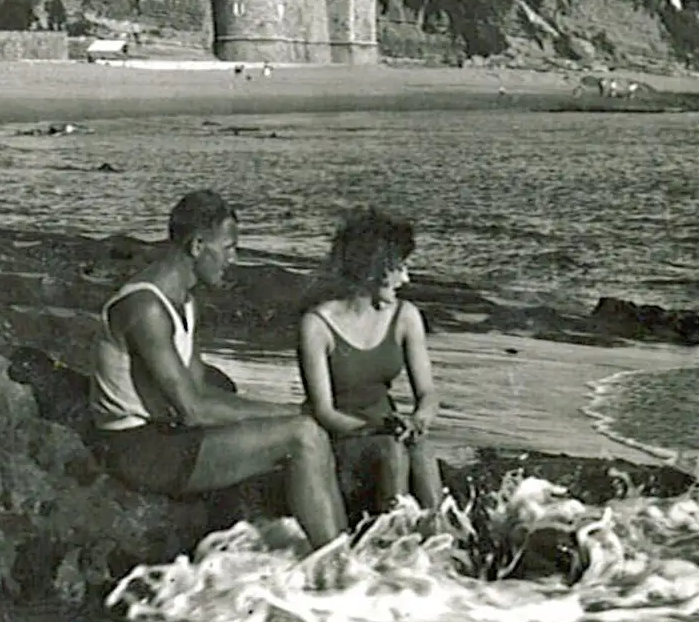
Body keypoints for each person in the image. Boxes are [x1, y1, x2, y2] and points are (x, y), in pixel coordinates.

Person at [92, 190, 347, 549]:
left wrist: (295, 413)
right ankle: (338, 567)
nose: (233, 258)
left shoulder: (184, 299)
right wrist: (297, 414)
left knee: (311, 431)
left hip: (167, 437)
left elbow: (199, 389)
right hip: (139, 450)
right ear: (198, 246)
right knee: (303, 435)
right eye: (228, 247)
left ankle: (343, 554)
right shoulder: (145, 307)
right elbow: (193, 410)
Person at [297, 207, 443, 520]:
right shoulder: (317, 325)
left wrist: (418, 421)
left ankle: (440, 541)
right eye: (399, 267)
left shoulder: (406, 317)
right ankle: (389, 544)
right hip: (341, 436)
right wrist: (375, 429)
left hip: (387, 430)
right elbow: (324, 412)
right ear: (372, 269)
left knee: (421, 450)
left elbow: (428, 393)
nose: (406, 278)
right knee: (391, 451)